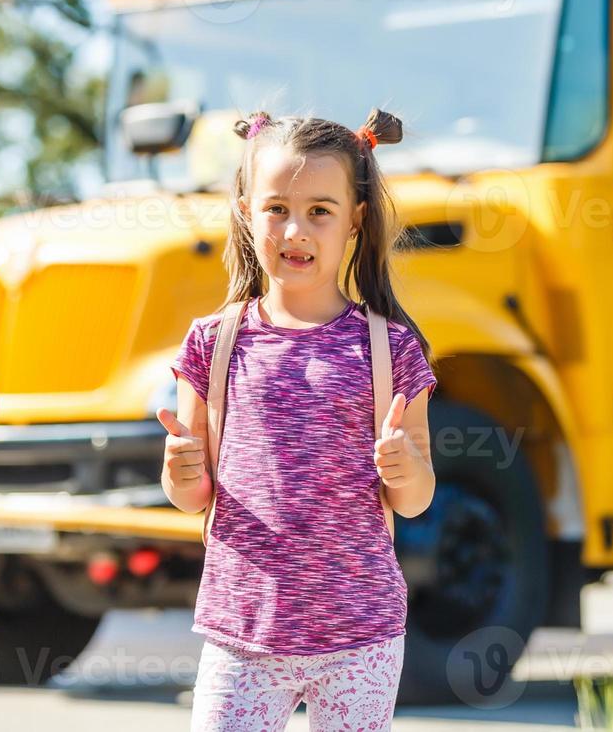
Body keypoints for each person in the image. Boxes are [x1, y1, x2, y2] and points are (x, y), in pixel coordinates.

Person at [159, 108, 438, 731]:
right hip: (243, 634)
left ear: (355, 221)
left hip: (361, 635)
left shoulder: (391, 348)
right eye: (276, 208)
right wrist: (179, 472)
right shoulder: (212, 343)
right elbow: (192, 497)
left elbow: (416, 500)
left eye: (320, 210)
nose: (296, 229)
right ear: (245, 212)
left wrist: (404, 466)